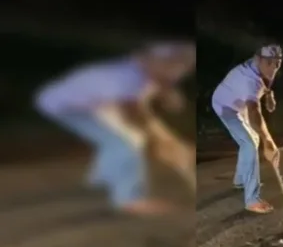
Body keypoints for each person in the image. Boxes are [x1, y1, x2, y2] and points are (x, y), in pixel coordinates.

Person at [34, 42, 196, 216]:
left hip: (79, 102)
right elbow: (132, 113)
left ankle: (100, 181)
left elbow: (162, 87)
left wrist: (168, 95)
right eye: (174, 65)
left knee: (117, 141)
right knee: (126, 143)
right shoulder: (127, 78)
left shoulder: (145, 72)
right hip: (69, 106)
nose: (179, 72)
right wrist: (157, 136)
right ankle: (129, 199)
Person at [212, 44, 282, 214]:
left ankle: (240, 180)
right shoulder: (250, 81)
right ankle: (252, 200)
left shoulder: (259, 66)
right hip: (226, 107)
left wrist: (268, 95)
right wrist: (269, 142)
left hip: (238, 104)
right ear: (258, 59)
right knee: (251, 143)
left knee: (252, 140)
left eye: (277, 63)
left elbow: (263, 84)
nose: (273, 68)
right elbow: (254, 111)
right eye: (269, 63)